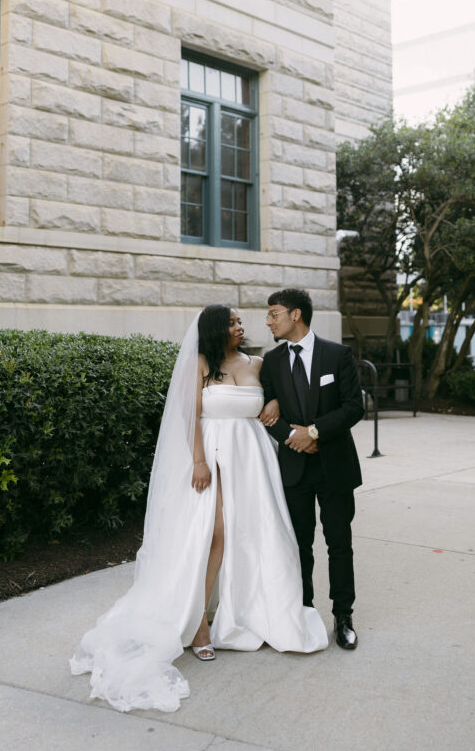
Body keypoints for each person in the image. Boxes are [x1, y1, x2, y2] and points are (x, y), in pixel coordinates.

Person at [70, 304, 327, 713]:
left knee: (255, 534)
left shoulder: (258, 363)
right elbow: (189, 416)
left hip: (252, 460)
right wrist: (199, 461)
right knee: (215, 535)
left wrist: (275, 402)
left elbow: (280, 398)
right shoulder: (201, 364)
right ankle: (200, 626)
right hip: (213, 454)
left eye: (242, 322)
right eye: (233, 323)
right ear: (214, 329)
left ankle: (247, 609)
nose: (242, 327)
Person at [260, 289, 364, 650]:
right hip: (294, 468)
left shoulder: (338, 355)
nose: (269, 321)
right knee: (299, 546)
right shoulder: (270, 362)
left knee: (339, 543)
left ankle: (343, 615)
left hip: (334, 465)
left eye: (274, 314)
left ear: (297, 315)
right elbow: (266, 414)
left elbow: (354, 407)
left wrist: (315, 432)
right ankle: (303, 613)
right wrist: (293, 436)